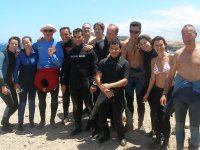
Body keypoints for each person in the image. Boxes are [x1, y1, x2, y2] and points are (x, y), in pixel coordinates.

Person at [160, 24, 200, 150]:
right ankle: (179, 147)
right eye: (184, 34)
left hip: (197, 95)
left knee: (194, 125)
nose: (186, 37)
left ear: (195, 35)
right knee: (179, 124)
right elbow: (170, 76)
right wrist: (165, 93)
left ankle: (194, 146)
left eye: (189, 34)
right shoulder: (177, 54)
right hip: (180, 95)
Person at [62, 28, 97, 136]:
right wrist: (63, 82)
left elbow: (95, 69)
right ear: (73, 37)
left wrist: (93, 84)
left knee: (89, 105)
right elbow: (66, 69)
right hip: (73, 84)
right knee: (76, 106)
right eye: (75, 36)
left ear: (83, 37)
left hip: (85, 83)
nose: (77, 39)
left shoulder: (89, 51)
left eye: (79, 36)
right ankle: (78, 127)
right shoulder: (70, 52)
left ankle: (94, 127)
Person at [96, 39, 129, 146]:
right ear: (109, 49)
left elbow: (125, 81)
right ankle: (106, 135)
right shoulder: (103, 62)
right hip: (104, 93)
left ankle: (121, 136)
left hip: (118, 94)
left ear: (120, 50)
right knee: (101, 117)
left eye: (116, 49)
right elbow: (97, 76)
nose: (114, 51)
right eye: (112, 48)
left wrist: (109, 86)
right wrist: (104, 89)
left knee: (117, 119)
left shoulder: (124, 63)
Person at [143, 36, 173, 149]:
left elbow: (174, 77)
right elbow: (152, 78)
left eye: (161, 44)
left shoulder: (171, 58)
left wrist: (166, 93)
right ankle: (158, 138)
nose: (159, 47)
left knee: (165, 117)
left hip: (169, 91)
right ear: (153, 46)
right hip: (156, 90)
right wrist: (147, 93)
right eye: (156, 45)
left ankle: (166, 141)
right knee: (155, 116)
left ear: (165, 44)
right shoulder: (153, 60)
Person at [33, 24, 63, 129]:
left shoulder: (57, 44)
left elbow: (60, 63)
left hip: (53, 73)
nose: (47, 32)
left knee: (54, 99)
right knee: (41, 100)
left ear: (53, 32)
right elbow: (28, 48)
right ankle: (42, 120)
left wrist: (52, 55)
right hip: (40, 73)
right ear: (43, 32)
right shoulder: (38, 43)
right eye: (45, 30)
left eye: (50, 30)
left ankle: (52, 120)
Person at [121, 21, 145, 131]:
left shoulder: (144, 43)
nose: (133, 34)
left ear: (140, 31)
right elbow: (122, 61)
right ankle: (130, 123)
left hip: (140, 75)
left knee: (141, 100)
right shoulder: (125, 44)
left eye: (136, 32)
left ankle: (141, 124)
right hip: (129, 75)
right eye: (131, 31)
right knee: (129, 100)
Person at [14, 36, 38, 131]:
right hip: (20, 84)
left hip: (33, 83)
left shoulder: (36, 54)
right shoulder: (20, 54)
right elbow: (15, 70)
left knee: (32, 102)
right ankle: (20, 123)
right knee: (22, 102)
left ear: (31, 42)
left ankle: (31, 121)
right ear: (22, 45)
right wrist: (16, 83)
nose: (26, 44)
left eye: (27, 42)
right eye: (24, 43)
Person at [138, 34, 157, 137]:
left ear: (150, 41)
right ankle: (154, 130)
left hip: (157, 85)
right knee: (153, 109)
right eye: (141, 44)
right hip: (148, 84)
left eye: (145, 43)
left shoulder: (155, 53)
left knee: (156, 110)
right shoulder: (145, 53)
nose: (143, 45)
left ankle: (159, 132)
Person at [0, 36, 20, 132]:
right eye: (12, 43)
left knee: (16, 104)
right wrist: (3, 85)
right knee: (10, 103)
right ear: (9, 44)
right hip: (2, 83)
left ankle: (5, 121)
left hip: (10, 82)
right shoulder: (2, 53)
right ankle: (4, 123)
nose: (14, 45)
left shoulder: (14, 54)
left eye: (16, 44)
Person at [59, 27, 74, 124]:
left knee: (77, 97)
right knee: (65, 95)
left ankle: (78, 116)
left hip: (75, 74)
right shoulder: (60, 44)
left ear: (70, 33)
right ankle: (65, 116)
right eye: (62, 34)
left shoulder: (75, 42)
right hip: (64, 74)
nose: (64, 36)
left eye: (66, 34)